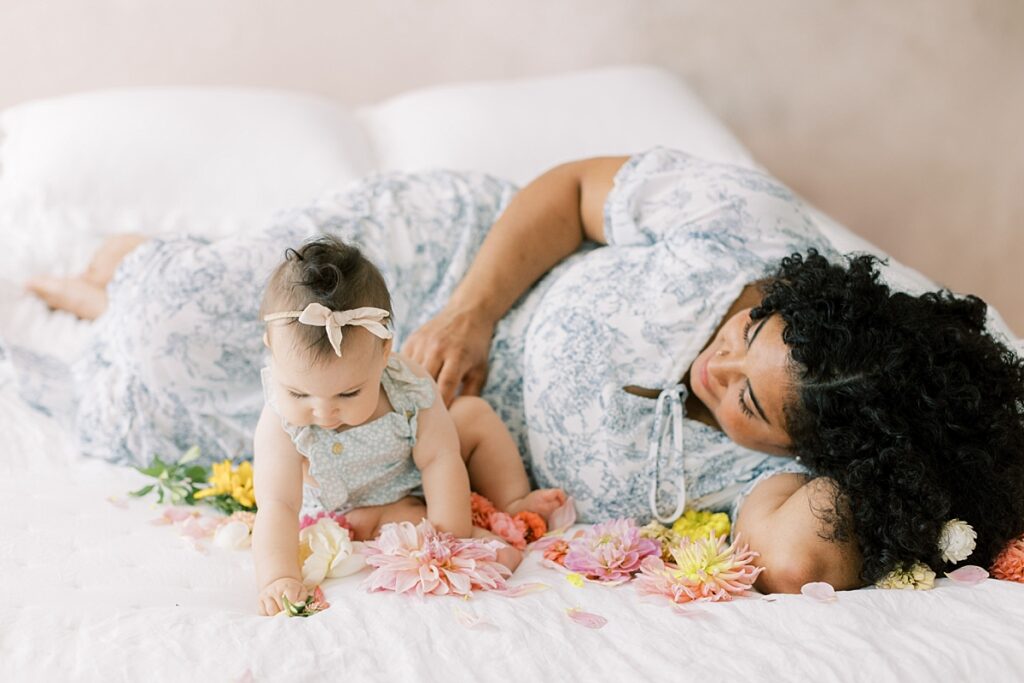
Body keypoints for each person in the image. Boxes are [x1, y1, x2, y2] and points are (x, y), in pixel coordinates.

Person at [26, 148, 1024, 596]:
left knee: (152, 412)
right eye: (746, 327)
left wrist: (913, 482)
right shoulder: (744, 227)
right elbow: (574, 188)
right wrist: (472, 307)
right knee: (170, 320)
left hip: (424, 429)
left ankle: (126, 280)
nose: (718, 366)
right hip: (445, 268)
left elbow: (805, 559)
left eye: (751, 399)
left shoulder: (766, 485)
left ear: (820, 447)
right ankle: (134, 261)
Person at [252, 236, 564, 615]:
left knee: (473, 414)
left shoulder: (408, 385)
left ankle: (512, 501)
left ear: (384, 353)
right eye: (300, 394)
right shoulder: (280, 422)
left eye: (349, 393)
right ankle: (410, 527)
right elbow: (279, 504)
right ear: (270, 346)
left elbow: (440, 458)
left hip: (415, 477)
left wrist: (450, 538)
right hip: (356, 505)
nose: (325, 412)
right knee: (389, 520)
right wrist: (279, 576)